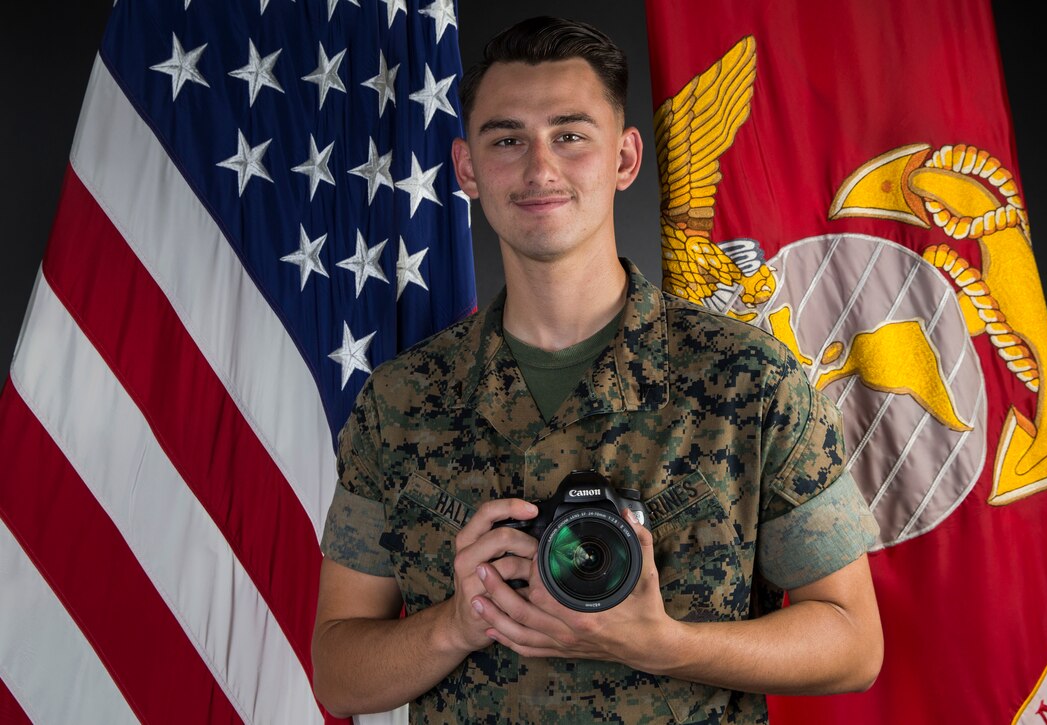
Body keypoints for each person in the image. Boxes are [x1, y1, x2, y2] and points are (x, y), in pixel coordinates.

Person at [311, 16, 883, 724]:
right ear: (466, 168)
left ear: (625, 158)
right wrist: (454, 623)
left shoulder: (748, 381)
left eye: (571, 135)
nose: (540, 169)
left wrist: (665, 645)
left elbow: (854, 643)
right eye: (507, 139)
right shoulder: (400, 401)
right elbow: (337, 673)